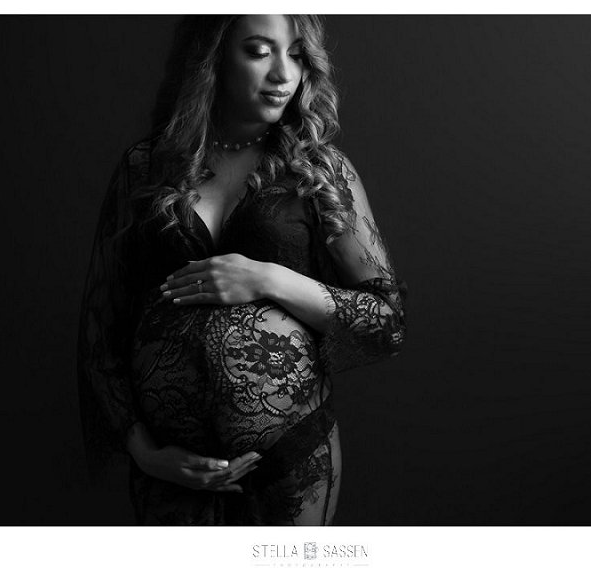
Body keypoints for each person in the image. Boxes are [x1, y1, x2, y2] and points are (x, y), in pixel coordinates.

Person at [77, 14, 406, 525]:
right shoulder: (145, 168)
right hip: (170, 470)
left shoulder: (320, 171)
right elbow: (101, 331)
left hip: (291, 462)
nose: (283, 74)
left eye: (296, 54)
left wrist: (268, 278)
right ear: (212, 59)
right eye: (259, 51)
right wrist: (144, 452)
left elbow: (385, 321)